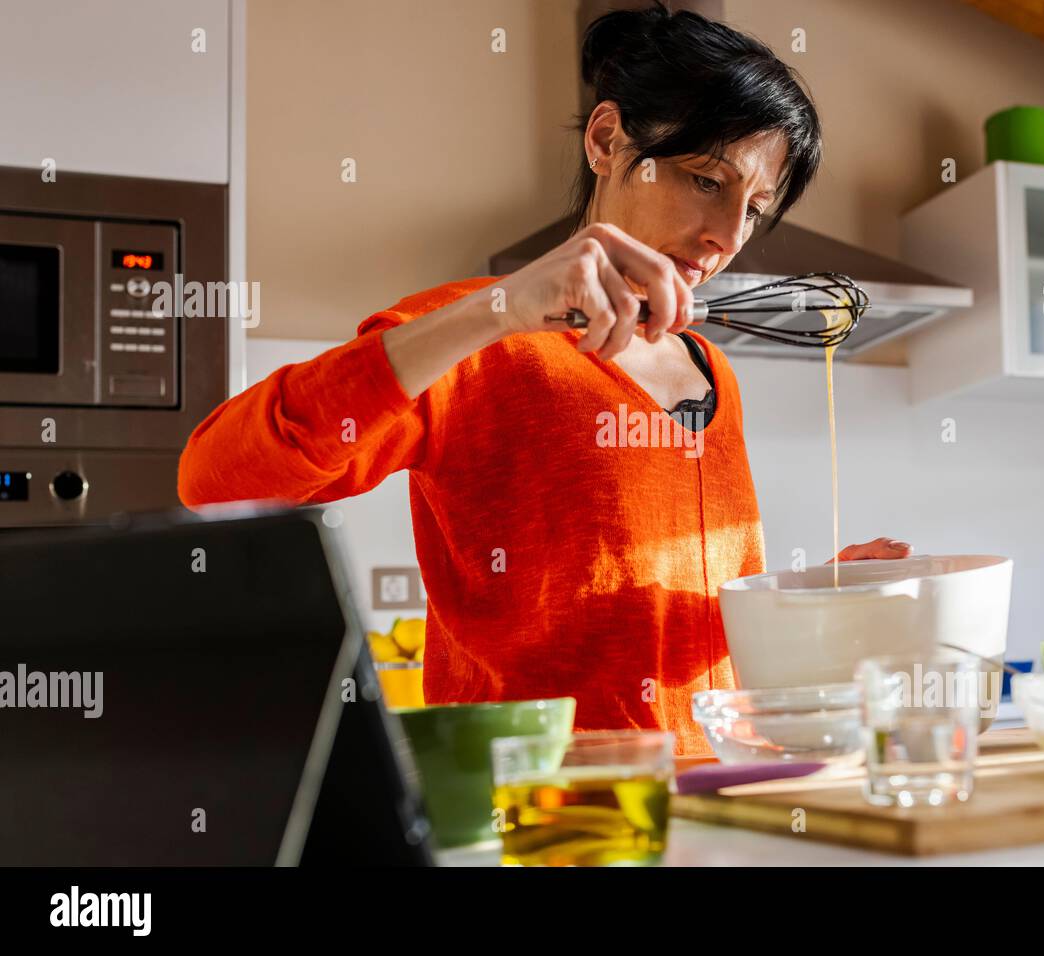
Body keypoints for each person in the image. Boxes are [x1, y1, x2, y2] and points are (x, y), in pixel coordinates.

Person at [179, 2, 911, 754]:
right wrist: (495, 311)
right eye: (704, 180)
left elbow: (661, 625)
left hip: (706, 798)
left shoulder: (708, 366)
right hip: (538, 810)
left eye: (754, 208)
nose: (728, 236)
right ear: (606, 140)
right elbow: (214, 482)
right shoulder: (476, 335)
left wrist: (796, 598)